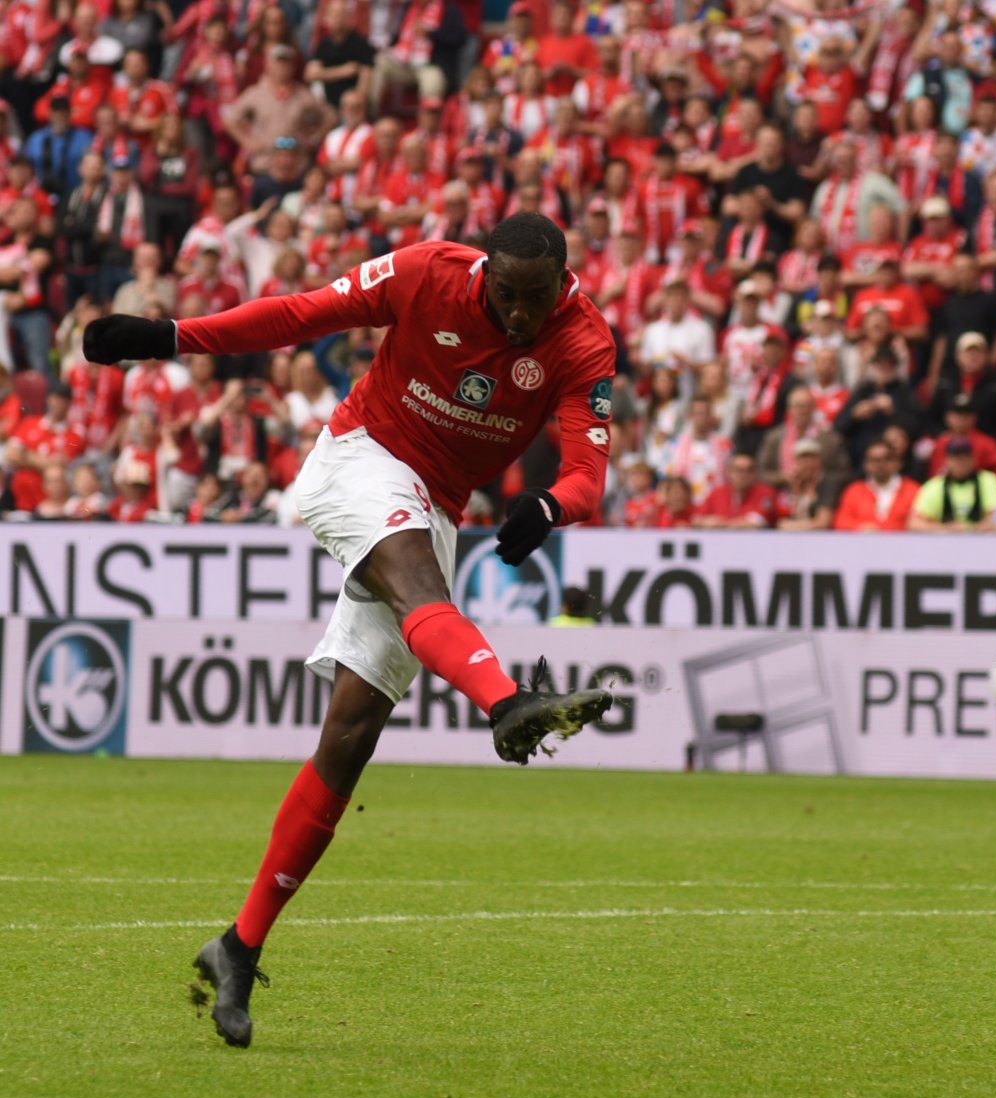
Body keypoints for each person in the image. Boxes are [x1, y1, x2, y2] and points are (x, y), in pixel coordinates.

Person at [81, 214, 620, 1049]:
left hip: (434, 506)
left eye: (536, 299)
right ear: (484, 276)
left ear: (564, 284)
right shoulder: (426, 273)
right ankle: (508, 702)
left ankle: (238, 944)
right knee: (419, 591)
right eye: (506, 296)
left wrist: (552, 505)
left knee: (351, 735)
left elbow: (588, 471)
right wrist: (169, 335)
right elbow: (300, 315)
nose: (520, 314)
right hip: (361, 457)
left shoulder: (583, 342)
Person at [909, 436, 996, 532]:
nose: (961, 462)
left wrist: (971, 529)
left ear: (973, 459)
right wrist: (946, 529)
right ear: (946, 460)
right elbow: (913, 523)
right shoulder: (935, 485)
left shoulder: (988, 480)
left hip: (982, 541)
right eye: (956, 458)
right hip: (944, 542)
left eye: (965, 457)